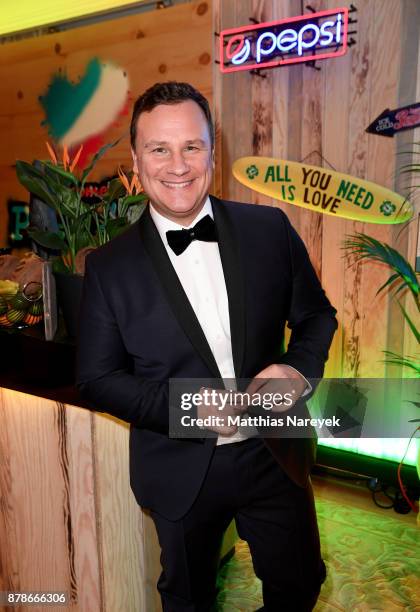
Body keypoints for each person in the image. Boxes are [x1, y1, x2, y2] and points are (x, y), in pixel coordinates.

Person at [76, 81, 338, 612]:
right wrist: (187, 408)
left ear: (213, 151)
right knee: (188, 599)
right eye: (159, 149)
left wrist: (299, 369)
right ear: (136, 158)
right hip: (179, 467)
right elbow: (97, 379)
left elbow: (317, 316)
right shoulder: (108, 268)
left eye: (191, 147)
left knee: (300, 585)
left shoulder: (269, 229)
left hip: (275, 448)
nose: (178, 165)